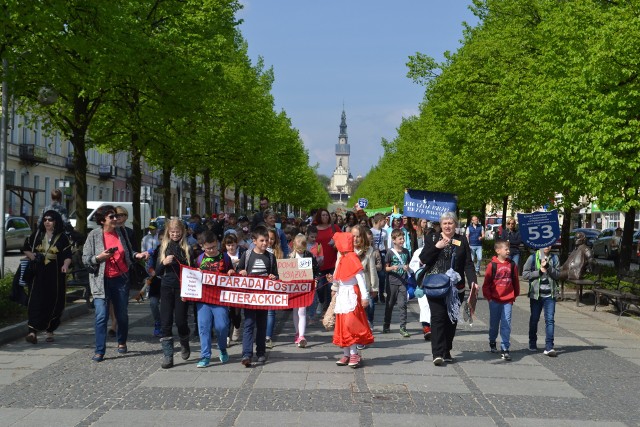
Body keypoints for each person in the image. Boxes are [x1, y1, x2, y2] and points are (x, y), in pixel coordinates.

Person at [82, 205, 149, 362]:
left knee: (122, 315)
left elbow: (128, 252)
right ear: (102, 220)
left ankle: (121, 341)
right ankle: (99, 350)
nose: (115, 219)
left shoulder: (122, 232)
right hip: (101, 280)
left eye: (116, 216)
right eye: (111, 216)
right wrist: (98, 258)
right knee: (101, 315)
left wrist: (137, 255)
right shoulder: (93, 235)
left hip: (120, 279)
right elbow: (86, 259)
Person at [419, 212, 477, 366]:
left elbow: (468, 263)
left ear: (455, 224)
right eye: (444, 223)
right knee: (437, 319)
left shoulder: (461, 240)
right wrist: (437, 247)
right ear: (441, 225)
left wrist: (473, 282)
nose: (447, 226)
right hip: (436, 286)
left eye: (450, 223)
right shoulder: (432, 238)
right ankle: (437, 353)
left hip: (455, 288)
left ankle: (446, 350)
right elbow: (424, 259)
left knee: (451, 320)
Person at [23, 210, 72, 344]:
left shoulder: (62, 237)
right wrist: (32, 256)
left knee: (54, 302)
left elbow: (68, 255)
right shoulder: (37, 235)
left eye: (50, 219)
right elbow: (25, 247)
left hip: (55, 277)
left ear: (56, 221)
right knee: (35, 302)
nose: (47, 222)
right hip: (38, 276)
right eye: (45, 219)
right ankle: (32, 332)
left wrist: (66, 265)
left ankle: (50, 330)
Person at [155, 219, 195, 369]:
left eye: (177, 232)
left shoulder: (187, 248)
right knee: (165, 322)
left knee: (181, 321)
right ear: (168, 232)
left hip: (182, 288)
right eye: (172, 232)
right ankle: (168, 355)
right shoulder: (163, 247)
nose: (175, 235)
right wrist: (163, 263)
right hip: (166, 287)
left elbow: (193, 272)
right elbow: (156, 272)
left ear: (182, 232)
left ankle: (184, 342)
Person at [237, 225, 279, 367]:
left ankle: (261, 352)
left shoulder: (271, 257)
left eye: (267, 240)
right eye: (262, 240)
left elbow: (276, 275)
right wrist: (241, 272)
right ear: (254, 241)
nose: (265, 243)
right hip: (249, 297)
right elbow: (239, 269)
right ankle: (246, 354)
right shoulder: (247, 255)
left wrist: (274, 277)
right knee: (248, 324)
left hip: (264, 297)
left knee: (262, 325)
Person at [331, 232, 373, 368]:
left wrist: (365, 296)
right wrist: (333, 285)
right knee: (343, 324)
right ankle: (346, 354)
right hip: (342, 294)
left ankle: (354, 353)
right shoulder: (342, 258)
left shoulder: (352, 257)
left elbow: (360, 279)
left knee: (351, 324)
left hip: (351, 294)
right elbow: (339, 278)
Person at [195, 231, 234, 367]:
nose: (211, 250)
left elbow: (231, 272)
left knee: (222, 326)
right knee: (204, 327)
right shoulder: (199, 259)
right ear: (202, 247)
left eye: (214, 247)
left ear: (217, 244)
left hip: (220, 299)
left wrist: (231, 272)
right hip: (203, 299)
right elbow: (192, 279)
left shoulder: (225, 257)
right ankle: (205, 356)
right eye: (208, 248)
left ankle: (222, 348)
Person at [482, 239, 520, 360]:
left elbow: (515, 281)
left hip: (508, 300)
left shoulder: (512, 264)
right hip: (495, 299)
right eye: (506, 249)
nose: (508, 251)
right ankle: (492, 341)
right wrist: (489, 298)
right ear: (498, 251)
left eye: (509, 249)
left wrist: (514, 295)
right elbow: (486, 284)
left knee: (506, 324)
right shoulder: (492, 265)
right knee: (494, 324)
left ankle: (505, 348)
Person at [523, 245, 559, 356]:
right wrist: (539, 272)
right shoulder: (533, 258)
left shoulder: (554, 258)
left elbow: (558, 275)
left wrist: (548, 267)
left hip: (550, 295)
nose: (547, 246)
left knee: (550, 320)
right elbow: (525, 274)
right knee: (534, 319)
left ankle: (549, 347)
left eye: (549, 244)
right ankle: (532, 343)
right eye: (544, 244)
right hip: (536, 295)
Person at [289, 234, 319, 348]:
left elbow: (316, 270)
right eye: (298, 248)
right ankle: (297, 333)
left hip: (305, 287)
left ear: (305, 246)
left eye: (302, 248)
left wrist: (315, 279)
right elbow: (285, 272)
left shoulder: (309, 256)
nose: (300, 251)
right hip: (294, 287)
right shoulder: (291, 256)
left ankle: (301, 335)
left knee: (302, 311)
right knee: (295, 310)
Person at [351, 225, 378, 339]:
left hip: (364, 284)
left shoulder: (368, 250)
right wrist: (335, 287)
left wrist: (374, 287)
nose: (355, 239)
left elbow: (372, 269)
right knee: (352, 313)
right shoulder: (346, 249)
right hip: (350, 286)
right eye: (353, 236)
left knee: (367, 309)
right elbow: (339, 267)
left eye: (358, 236)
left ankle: (365, 331)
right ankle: (355, 337)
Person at [383, 229, 411, 337]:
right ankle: (386, 324)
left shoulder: (406, 252)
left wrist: (407, 267)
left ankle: (403, 327)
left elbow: (408, 264)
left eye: (403, 238)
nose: (402, 240)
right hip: (392, 282)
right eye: (400, 239)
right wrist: (392, 268)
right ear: (394, 240)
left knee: (402, 305)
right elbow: (385, 268)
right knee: (389, 304)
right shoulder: (390, 253)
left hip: (403, 281)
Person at [314, 208, 340, 314]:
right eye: (323, 215)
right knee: (320, 286)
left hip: (332, 261)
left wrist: (335, 244)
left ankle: (328, 308)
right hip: (319, 262)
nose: (325, 217)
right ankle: (321, 301)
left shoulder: (334, 227)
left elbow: (343, 240)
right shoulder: (314, 229)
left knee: (331, 287)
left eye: (326, 215)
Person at [223, 233, 245, 345]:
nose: (231, 247)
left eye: (233, 245)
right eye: (228, 245)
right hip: (227, 288)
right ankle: (227, 335)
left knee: (236, 313)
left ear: (237, 244)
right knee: (227, 313)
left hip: (239, 288)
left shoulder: (242, 253)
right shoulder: (223, 256)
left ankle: (237, 326)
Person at [265, 227, 284, 348]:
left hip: (272, 286)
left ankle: (268, 337)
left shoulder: (278, 252)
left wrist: (276, 276)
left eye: (272, 239)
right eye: (267, 238)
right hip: (260, 286)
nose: (269, 241)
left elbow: (281, 271)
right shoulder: (256, 251)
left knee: (271, 312)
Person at [370, 213, 388, 303]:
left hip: (382, 253)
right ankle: (375, 295)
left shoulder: (385, 232)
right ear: (380, 221)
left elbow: (385, 245)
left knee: (382, 275)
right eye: (384, 221)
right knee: (374, 274)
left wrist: (387, 255)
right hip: (373, 253)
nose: (385, 222)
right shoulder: (371, 231)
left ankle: (381, 295)